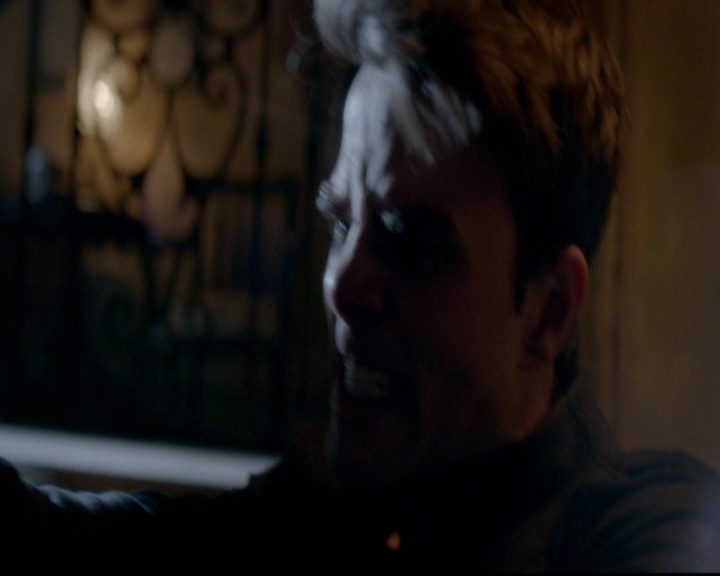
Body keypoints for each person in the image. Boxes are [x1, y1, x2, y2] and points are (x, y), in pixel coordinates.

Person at [2, 0, 720, 571]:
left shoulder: (649, 527)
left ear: (549, 309)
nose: (343, 284)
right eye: (342, 222)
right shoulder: (329, 506)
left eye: (411, 243)